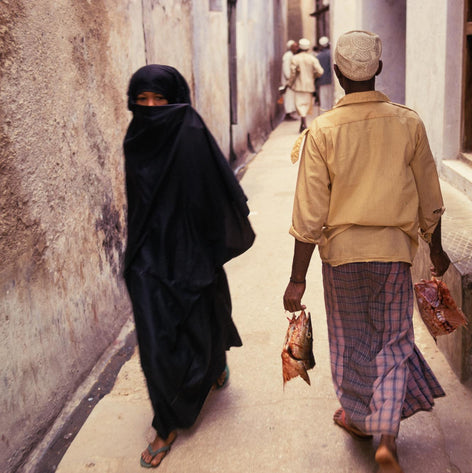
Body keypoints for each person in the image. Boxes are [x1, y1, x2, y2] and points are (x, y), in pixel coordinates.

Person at [282, 30, 450, 473]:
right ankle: (386, 441)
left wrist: (297, 278)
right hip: (394, 255)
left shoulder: (321, 131)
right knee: (393, 343)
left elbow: (308, 215)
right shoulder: (408, 122)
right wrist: (437, 248)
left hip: (341, 260)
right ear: (378, 68)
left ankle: (359, 419)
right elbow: (430, 195)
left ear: (336, 74)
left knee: (351, 343)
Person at [123, 64, 254, 468]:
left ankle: (215, 363)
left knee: (200, 319)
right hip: (148, 253)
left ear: (174, 99)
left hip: (190, 248)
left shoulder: (191, 133)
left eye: (159, 100)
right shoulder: (137, 136)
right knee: (154, 341)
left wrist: (201, 248)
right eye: (142, 100)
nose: (150, 108)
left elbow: (213, 194)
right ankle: (166, 423)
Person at [286, 38, 324, 132]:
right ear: (308, 48)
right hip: (309, 86)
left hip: (298, 86)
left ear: (299, 47)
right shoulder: (312, 58)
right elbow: (320, 71)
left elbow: (293, 74)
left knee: (299, 105)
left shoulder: (295, 58)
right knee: (306, 105)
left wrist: (290, 84)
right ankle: (304, 122)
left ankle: (303, 122)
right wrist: (313, 76)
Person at [281, 39, 299, 120]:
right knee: (288, 98)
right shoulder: (288, 56)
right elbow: (286, 69)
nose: (297, 48)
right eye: (295, 46)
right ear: (290, 47)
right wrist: (289, 79)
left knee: (291, 98)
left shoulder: (291, 55)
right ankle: (288, 115)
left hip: (291, 81)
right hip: (288, 82)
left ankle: (290, 114)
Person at [315, 36, 333, 112]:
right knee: (330, 98)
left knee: (323, 99)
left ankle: (324, 114)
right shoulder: (331, 54)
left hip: (321, 80)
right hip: (330, 80)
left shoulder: (318, 56)